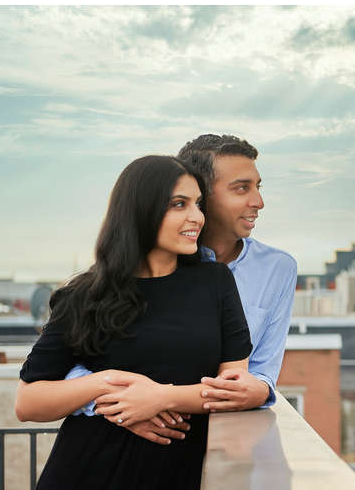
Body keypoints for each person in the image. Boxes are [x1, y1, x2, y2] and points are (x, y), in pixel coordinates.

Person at [16, 155, 253, 490]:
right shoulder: (85, 295)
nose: (196, 217)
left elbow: (235, 386)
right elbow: (29, 401)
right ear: (141, 209)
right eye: (179, 204)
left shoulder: (214, 283)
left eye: (198, 204)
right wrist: (106, 387)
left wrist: (159, 398)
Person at [67, 134, 297, 446]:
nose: (258, 201)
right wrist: (124, 405)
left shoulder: (278, 269)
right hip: (124, 443)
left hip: (218, 446)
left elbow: (260, 372)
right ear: (199, 192)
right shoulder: (147, 265)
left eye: (258, 186)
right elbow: (70, 366)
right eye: (242, 188)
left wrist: (260, 389)